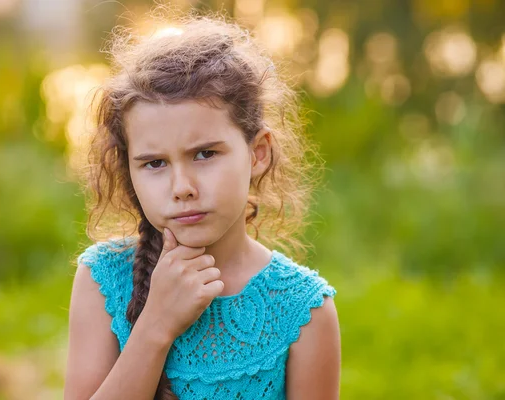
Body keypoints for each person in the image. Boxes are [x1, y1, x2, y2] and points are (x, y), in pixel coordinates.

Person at [65, 9, 340, 400]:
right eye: (155, 163)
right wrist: (155, 326)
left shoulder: (303, 311)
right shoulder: (104, 279)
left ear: (257, 153)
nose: (182, 187)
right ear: (129, 168)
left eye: (205, 154)